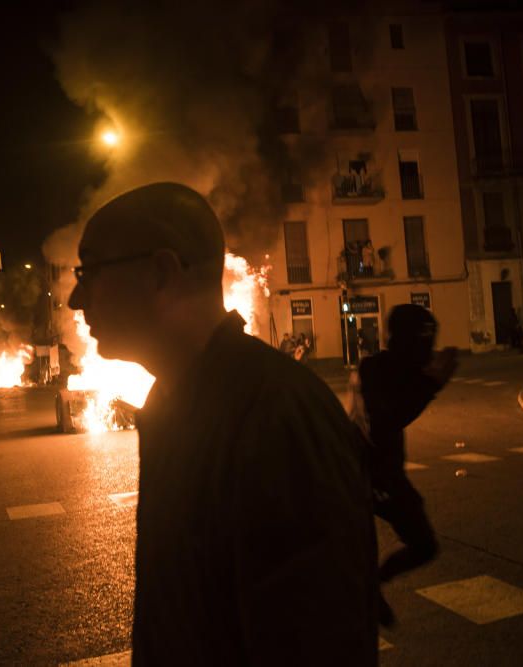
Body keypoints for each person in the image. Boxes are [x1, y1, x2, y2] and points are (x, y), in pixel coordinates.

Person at [67, 182, 378, 664]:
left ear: (160, 272)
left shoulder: (277, 410)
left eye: (89, 271)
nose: (73, 298)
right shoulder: (172, 398)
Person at [351, 304, 458, 627]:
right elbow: (386, 418)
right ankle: (363, 596)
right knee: (417, 543)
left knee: (423, 544)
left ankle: (371, 589)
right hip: (366, 474)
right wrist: (431, 385)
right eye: (423, 343)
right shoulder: (375, 369)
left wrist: (429, 377)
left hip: (381, 474)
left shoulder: (395, 367)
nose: (428, 351)